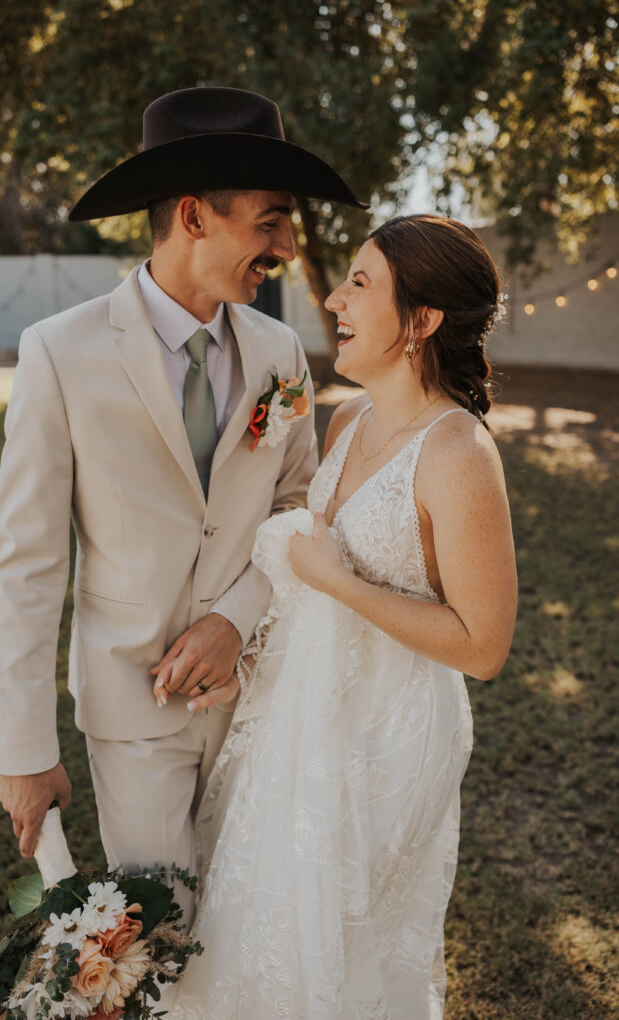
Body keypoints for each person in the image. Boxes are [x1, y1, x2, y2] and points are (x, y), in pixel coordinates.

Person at [0, 86, 367, 916]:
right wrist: (22, 750)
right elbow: (27, 564)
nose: (284, 244)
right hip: (132, 708)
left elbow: (301, 504)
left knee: (253, 922)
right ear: (194, 216)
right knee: (161, 936)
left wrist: (235, 618)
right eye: (269, 219)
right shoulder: (60, 353)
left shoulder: (279, 353)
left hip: (263, 695)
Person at [167, 214, 518, 1018]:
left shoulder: (457, 451)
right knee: (261, 932)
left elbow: (483, 646)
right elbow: (313, 610)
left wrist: (338, 581)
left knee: (339, 952)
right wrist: (249, 667)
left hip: (388, 741)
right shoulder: (346, 421)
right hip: (300, 719)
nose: (332, 298)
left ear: (422, 321)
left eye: (360, 284)